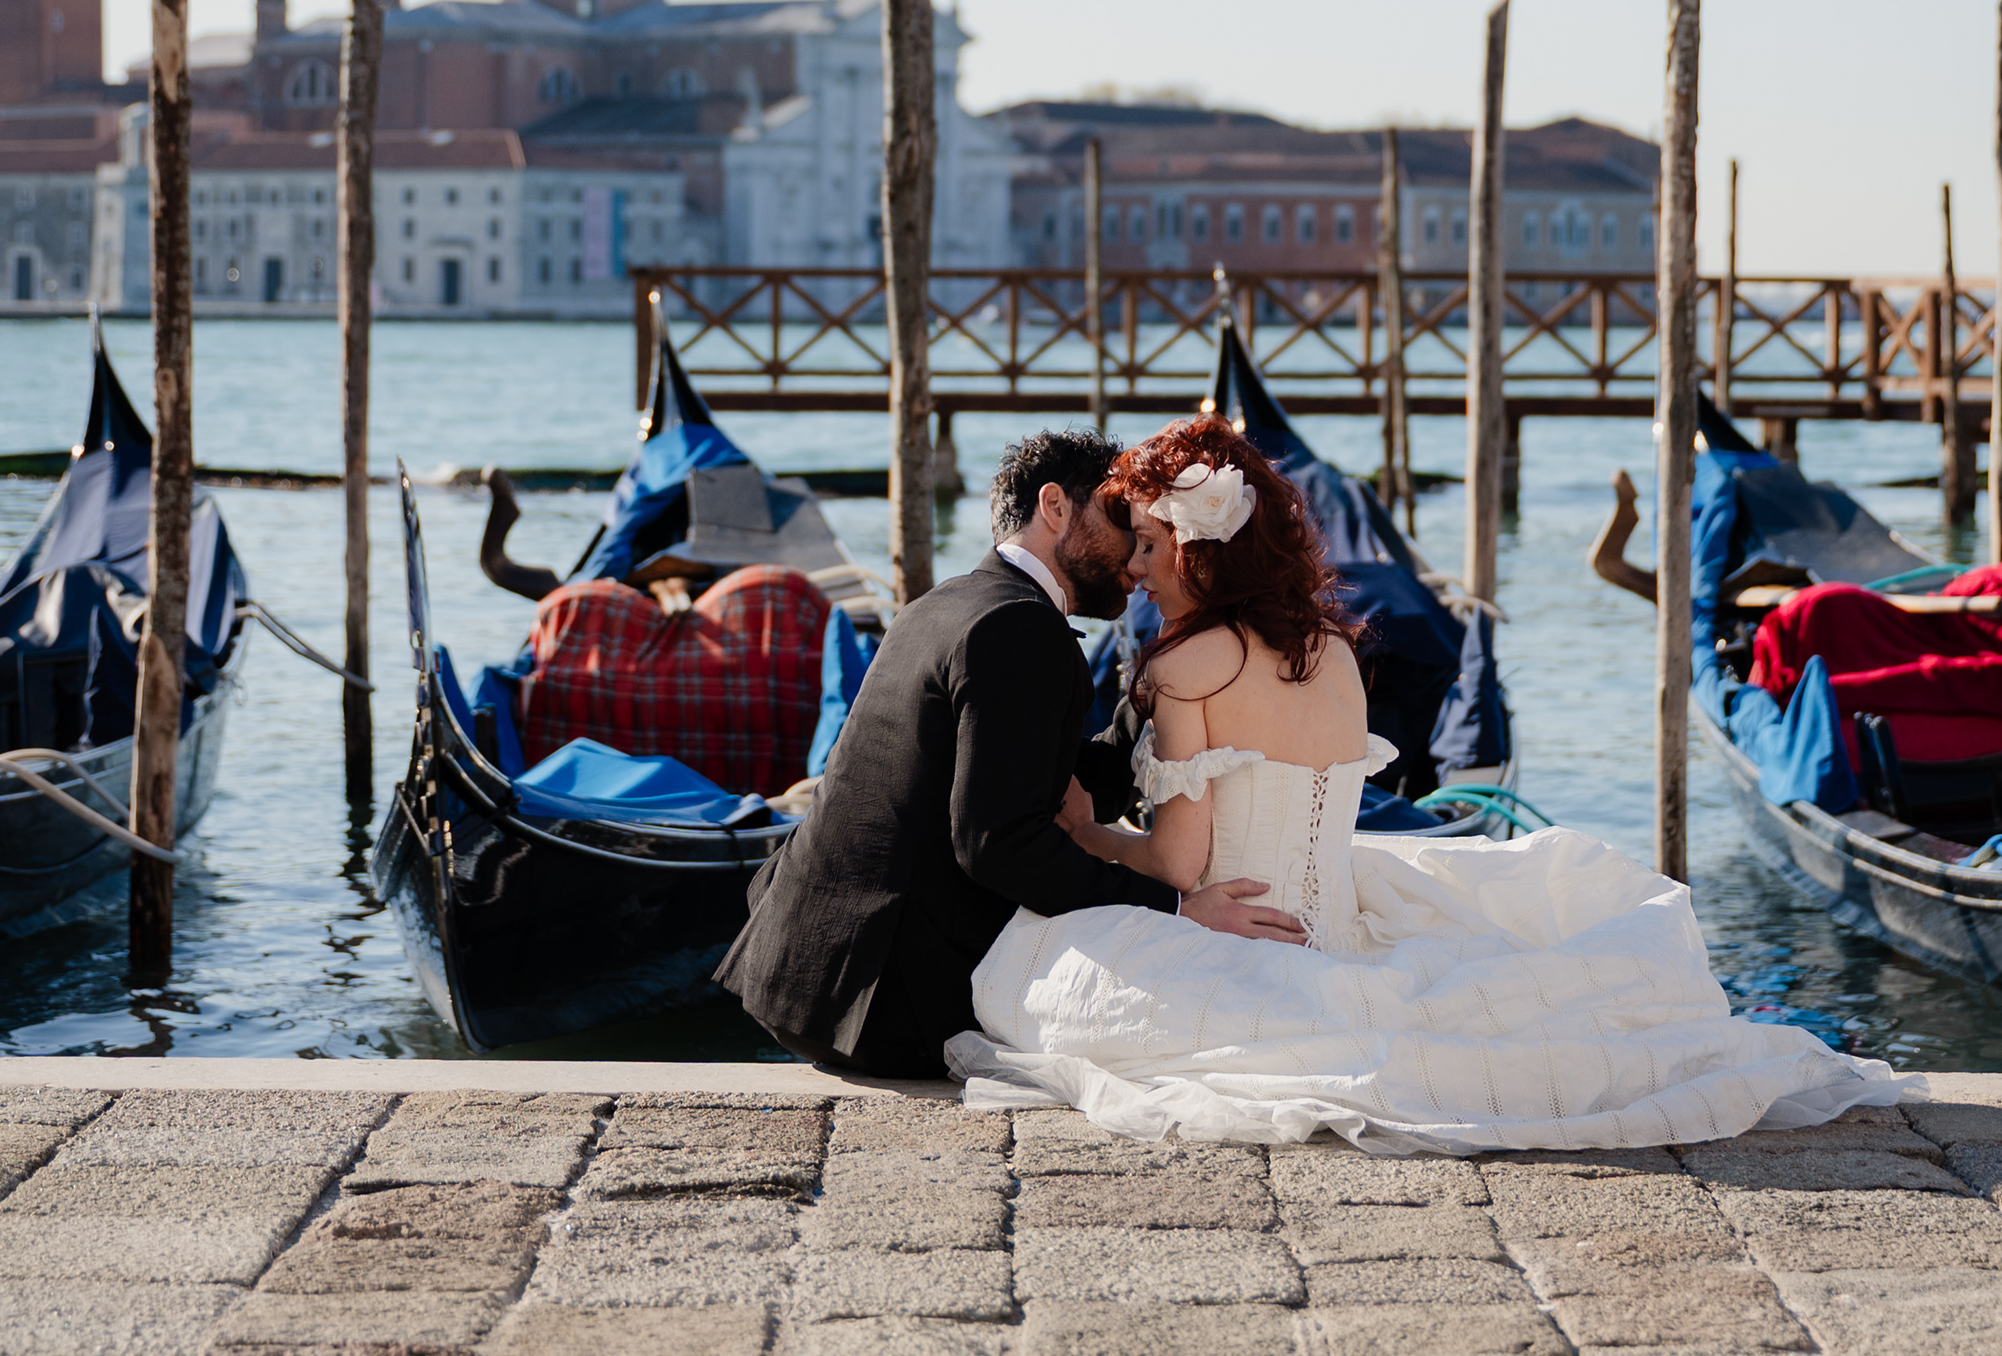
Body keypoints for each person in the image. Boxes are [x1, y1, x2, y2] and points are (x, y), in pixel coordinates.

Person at [951, 414, 1910, 1154]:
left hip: (1240, 939)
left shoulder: (1180, 670)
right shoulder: (1329, 653)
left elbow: (1177, 862)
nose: (1138, 569)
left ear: (1198, 548)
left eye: (1152, 548)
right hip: (1331, 923)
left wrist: (1083, 831)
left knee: (1020, 985)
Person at [714, 430, 1306, 1078]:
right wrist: (1179, 913)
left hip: (801, 977)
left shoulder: (947, 603)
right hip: (886, 1007)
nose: (1137, 560)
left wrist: (1159, 695)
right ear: (1055, 507)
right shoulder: (1019, 629)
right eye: (1118, 521)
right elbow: (999, 843)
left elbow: (1044, 780)